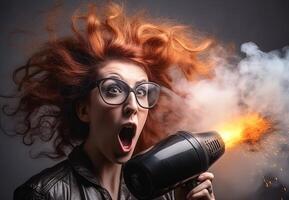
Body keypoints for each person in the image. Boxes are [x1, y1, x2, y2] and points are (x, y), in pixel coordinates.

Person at [5, 2, 216, 200]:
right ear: (84, 110)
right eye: (114, 90)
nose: (133, 105)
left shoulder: (166, 191)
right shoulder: (43, 194)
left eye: (142, 91)